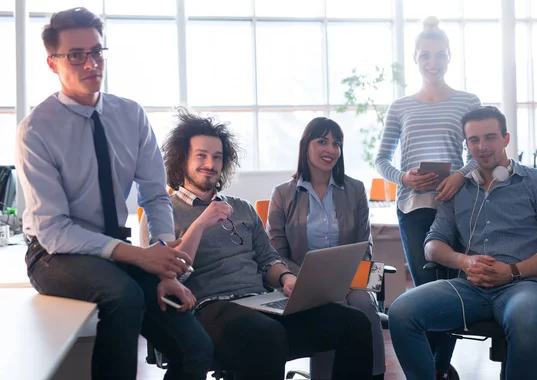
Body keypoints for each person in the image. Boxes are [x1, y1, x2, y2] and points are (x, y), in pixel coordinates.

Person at [15, 7, 213, 380]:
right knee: (124, 296)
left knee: (197, 350)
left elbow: (155, 195)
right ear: (52, 64)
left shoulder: (130, 115)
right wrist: (140, 257)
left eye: (97, 51)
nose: (91, 63)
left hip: (112, 251)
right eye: (76, 55)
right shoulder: (36, 130)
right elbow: (54, 229)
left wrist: (165, 262)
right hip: (52, 254)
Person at [156, 109, 374, 380]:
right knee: (267, 335)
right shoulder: (165, 211)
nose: (210, 164)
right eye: (201, 155)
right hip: (211, 306)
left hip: (262, 302)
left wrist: (286, 277)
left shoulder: (242, 208)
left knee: (354, 323)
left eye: (217, 157)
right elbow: (169, 272)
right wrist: (200, 223)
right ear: (182, 159)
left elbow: (268, 258)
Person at [387, 106, 537, 380]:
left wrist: (512, 271)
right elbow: (432, 245)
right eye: (474, 140)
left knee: (523, 320)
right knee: (402, 312)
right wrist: (465, 261)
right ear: (466, 144)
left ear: (506, 138)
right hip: (471, 288)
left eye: (490, 137)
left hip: (527, 285)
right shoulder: (458, 190)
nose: (482, 146)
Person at [374, 15, 481, 379]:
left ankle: (434, 369)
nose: (432, 63)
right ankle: (437, 369)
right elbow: (381, 158)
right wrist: (403, 176)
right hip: (413, 207)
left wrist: (459, 176)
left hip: (457, 207)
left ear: (449, 57)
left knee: (450, 291)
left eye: (439, 55)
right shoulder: (400, 107)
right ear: (416, 60)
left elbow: (476, 156)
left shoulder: (468, 101)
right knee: (427, 291)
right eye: (425, 56)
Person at [267, 117, 385, 380]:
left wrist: (353, 280)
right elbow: (275, 252)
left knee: (364, 307)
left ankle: (373, 376)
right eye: (322, 141)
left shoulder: (355, 189)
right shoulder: (283, 193)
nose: (330, 149)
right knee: (334, 308)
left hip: (355, 275)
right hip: (303, 280)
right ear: (306, 146)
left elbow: (365, 244)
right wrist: (311, 281)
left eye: (336, 143)